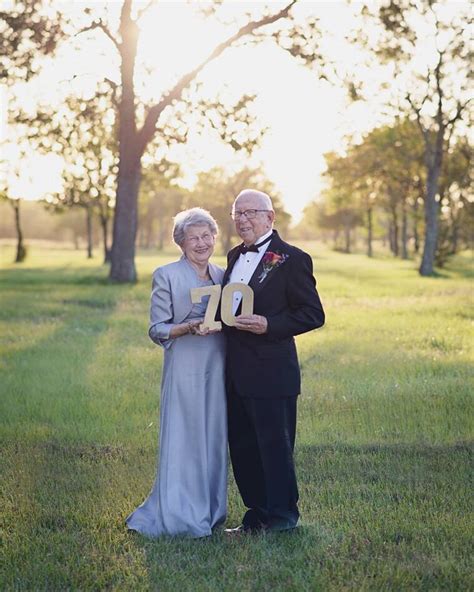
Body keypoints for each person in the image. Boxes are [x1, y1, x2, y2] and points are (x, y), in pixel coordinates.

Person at [222, 189, 325, 534]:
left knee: (275, 448)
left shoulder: (292, 258)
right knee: (244, 447)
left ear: (270, 217)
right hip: (235, 373)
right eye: (238, 213)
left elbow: (312, 314)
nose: (243, 219)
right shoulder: (234, 254)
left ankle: (282, 519)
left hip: (271, 372)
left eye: (251, 212)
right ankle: (255, 515)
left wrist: (270, 325)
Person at [126, 208, 227, 538]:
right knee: (185, 434)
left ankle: (211, 509)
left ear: (215, 238)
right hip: (184, 364)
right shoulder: (166, 274)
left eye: (207, 236)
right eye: (193, 237)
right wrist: (186, 328)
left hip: (218, 364)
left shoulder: (224, 274)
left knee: (212, 433)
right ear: (181, 242)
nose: (201, 243)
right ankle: (181, 512)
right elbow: (156, 328)